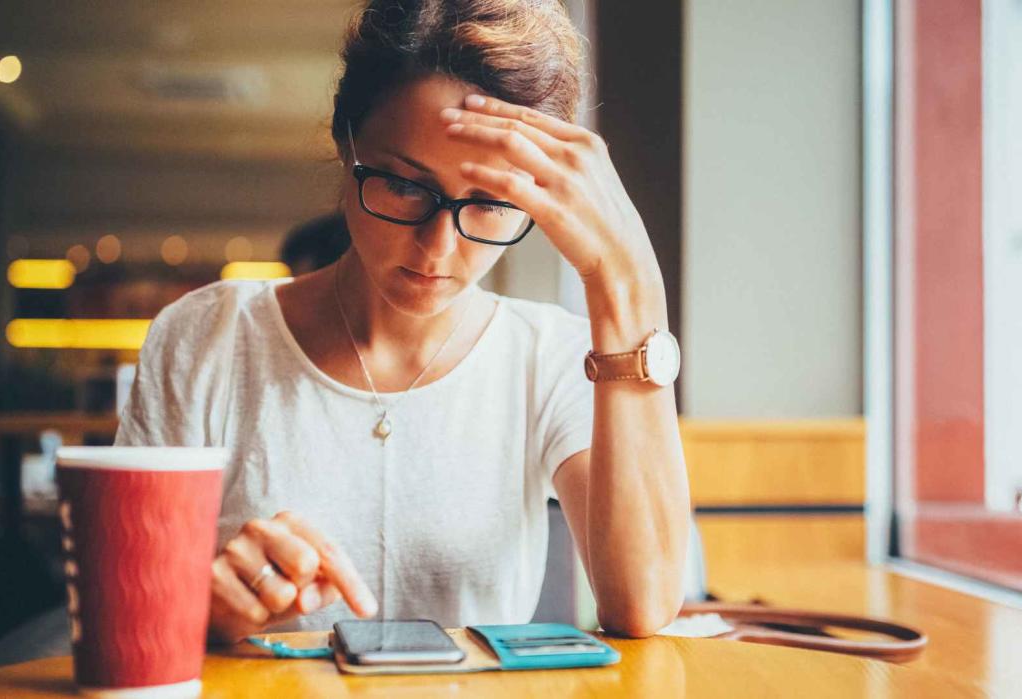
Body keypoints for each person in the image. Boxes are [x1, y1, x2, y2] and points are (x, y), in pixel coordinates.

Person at [115, 0, 689, 643]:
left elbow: (642, 605)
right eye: (405, 186)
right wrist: (207, 612)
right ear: (345, 141)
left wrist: (626, 278)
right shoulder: (207, 340)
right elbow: (123, 615)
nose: (438, 249)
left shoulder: (547, 357)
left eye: (493, 201)